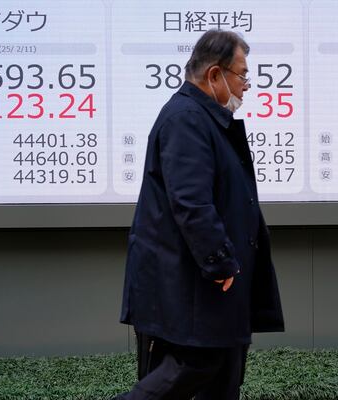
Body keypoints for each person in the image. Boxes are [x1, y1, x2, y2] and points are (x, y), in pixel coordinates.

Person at [115, 29, 284, 400]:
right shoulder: (186, 119)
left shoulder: (204, 119)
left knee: (222, 371)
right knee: (192, 367)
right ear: (214, 75)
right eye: (241, 75)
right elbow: (190, 202)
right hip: (191, 285)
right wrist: (220, 261)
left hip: (204, 286)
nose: (246, 86)